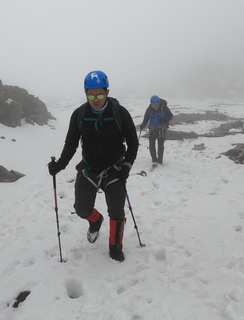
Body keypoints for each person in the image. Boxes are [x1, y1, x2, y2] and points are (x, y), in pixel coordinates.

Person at [47, 71, 139, 262]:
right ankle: (96, 221)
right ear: (86, 93)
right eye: (91, 95)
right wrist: (60, 165)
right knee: (81, 208)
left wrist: (126, 167)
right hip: (89, 168)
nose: (95, 100)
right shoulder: (79, 115)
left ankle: (115, 247)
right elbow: (71, 144)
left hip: (115, 170)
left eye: (99, 95)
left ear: (107, 92)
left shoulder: (119, 113)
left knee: (117, 211)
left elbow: (133, 143)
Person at [140, 95, 173, 166]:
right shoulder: (149, 109)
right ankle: (154, 160)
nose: (154, 107)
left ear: (159, 103)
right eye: (153, 105)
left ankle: (160, 160)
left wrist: (164, 120)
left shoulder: (164, 108)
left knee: (160, 146)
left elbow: (170, 115)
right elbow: (146, 118)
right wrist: (143, 125)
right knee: (151, 145)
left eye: (156, 105)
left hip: (162, 130)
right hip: (152, 130)